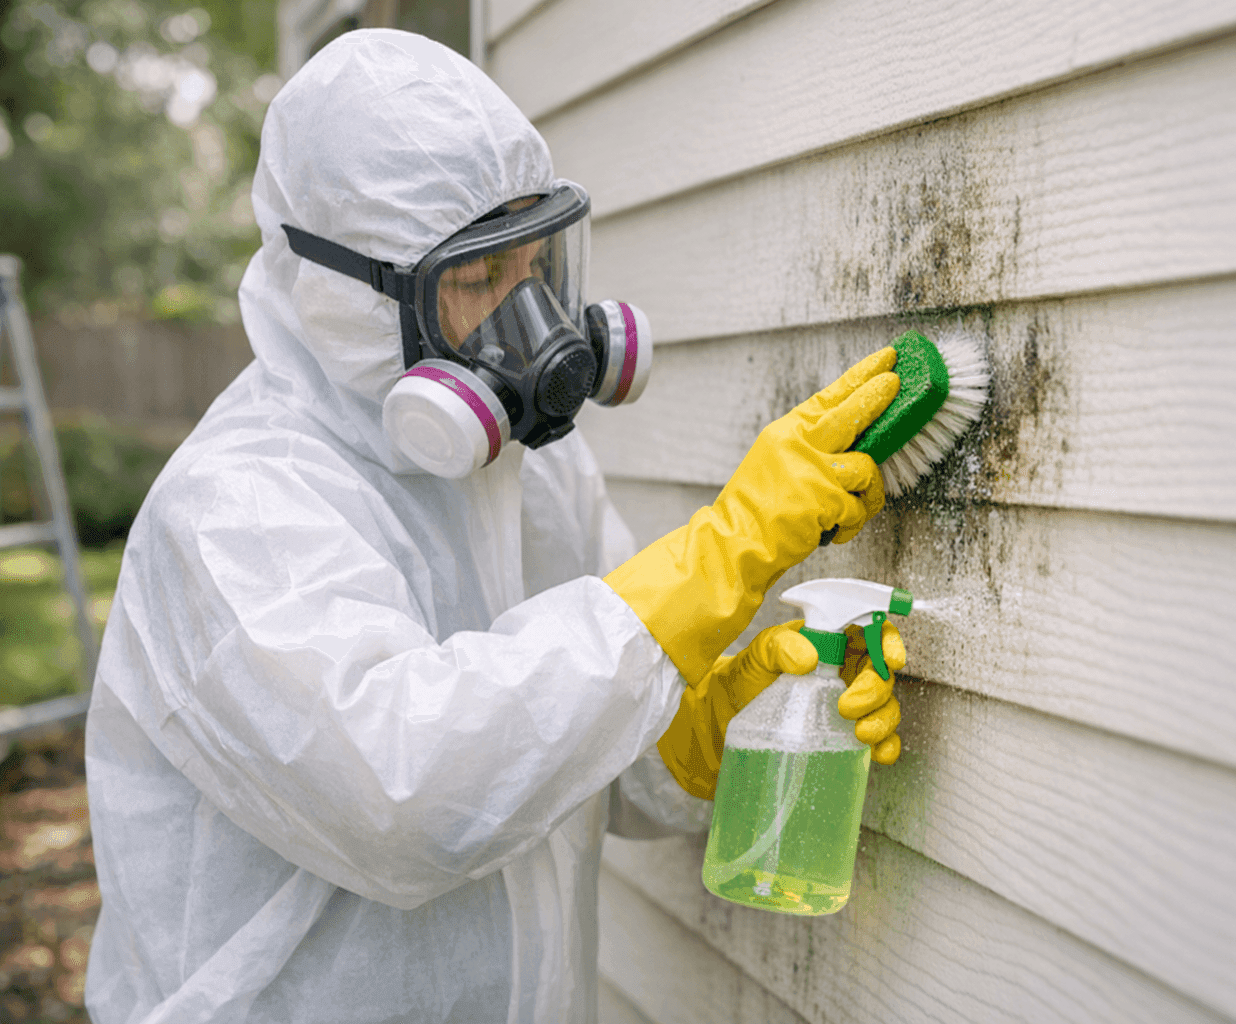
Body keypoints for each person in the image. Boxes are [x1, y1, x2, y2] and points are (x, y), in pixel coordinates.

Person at [83, 29, 903, 1024]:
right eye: (476, 282)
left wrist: (724, 722)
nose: (533, 324)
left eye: (536, 263)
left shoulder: (531, 474)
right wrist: (716, 556)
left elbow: (562, 759)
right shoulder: (236, 510)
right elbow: (409, 801)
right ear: (338, 295)